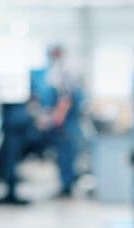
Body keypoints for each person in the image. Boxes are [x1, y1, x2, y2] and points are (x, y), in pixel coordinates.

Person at [46, 45, 83, 198]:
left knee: (66, 154)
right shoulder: (60, 69)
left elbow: (65, 98)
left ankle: (67, 186)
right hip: (67, 120)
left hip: (66, 121)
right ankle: (66, 184)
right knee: (64, 153)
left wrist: (57, 118)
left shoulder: (64, 70)